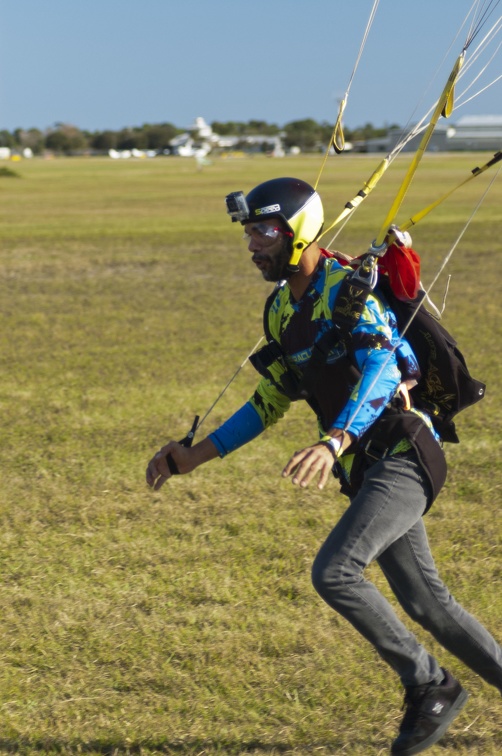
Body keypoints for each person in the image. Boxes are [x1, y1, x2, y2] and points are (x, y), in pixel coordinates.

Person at [146, 177, 501, 755]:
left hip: (404, 449)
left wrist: (334, 440)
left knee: (335, 571)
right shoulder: (282, 310)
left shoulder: (348, 290)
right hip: (367, 467)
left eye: (264, 230)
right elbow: (271, 401)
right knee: (427, 604)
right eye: (249, 233)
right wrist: (193, 458)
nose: (253, 244)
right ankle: (438, 685)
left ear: (298, 230)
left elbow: (384, 368)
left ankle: (430, 684)